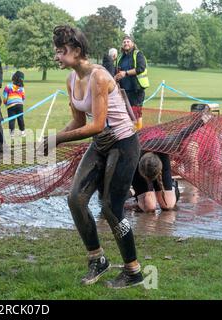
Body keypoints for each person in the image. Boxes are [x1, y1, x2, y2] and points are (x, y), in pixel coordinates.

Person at [46, 25, 143, 288]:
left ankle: (133, 271)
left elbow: (97, 124)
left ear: (76, 51)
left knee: (112, 208)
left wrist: (57, 139)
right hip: (101, 144)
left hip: (123, 144)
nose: (57, 57)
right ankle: (97, 260)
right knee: (75, 199)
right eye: (56, 51)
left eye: (61, 51)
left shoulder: (99, 77)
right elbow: (78, 121)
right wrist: (51, 139)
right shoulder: (70, 80)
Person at [114, 35, 149, 131]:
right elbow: (117, 71)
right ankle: (129, 135)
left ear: (132, 43)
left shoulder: (138, 54)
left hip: (136, 90)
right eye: (124, 42)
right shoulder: (120, 57)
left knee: (136, 115)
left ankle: (138, 135)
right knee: (126, 115)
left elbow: (141, 68)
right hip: (123, 91)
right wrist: (116, 76)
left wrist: (125, 73)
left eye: (128, 41)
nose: (126, 43)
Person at [3, 71, 26, 138]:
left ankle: (12, 134)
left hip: (11, 105)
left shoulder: (8, 86)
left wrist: (5, 103)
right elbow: (23, 97)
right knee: (20, 118)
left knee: (11, 119)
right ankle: (22, 132)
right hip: (20, 105)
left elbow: (5, 96)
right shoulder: (22, 88)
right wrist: (20, 103)